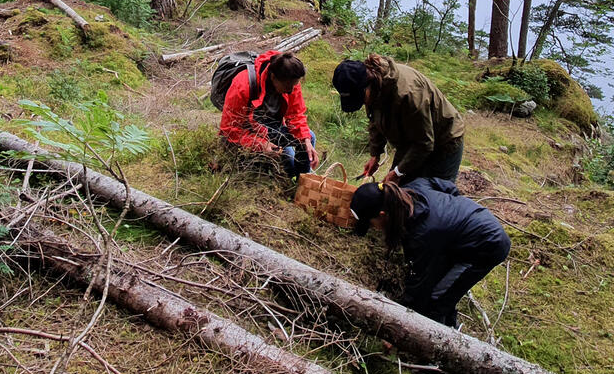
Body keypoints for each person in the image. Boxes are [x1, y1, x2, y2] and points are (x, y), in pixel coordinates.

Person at [350, 177, 510, 327]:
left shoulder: (422, 235)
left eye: (371, 224)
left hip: (487, 246)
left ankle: (445, 335)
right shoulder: (414, 187)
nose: (373, 228)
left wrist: (402, 320)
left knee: (437, 297)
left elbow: (420, 280)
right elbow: (448, 187)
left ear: (382, 215)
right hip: (464, 230)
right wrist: (453, 210)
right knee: (438, 280)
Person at [332, 54, 463, 185]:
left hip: (444, 142)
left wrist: (398, 172)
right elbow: (375, 121)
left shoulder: (409, 95)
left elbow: (424, 143)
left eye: (360, 98)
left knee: (435, 196)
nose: (363, 103)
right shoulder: (374, 89)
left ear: (368, 83)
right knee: (395, 190)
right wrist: (375, 155)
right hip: (410, 141)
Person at [219, 50, 319, 176]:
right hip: (250, 131)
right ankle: (292, 181)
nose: (291, 91)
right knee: (287, 164)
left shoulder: (290, 79)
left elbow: (295, 114)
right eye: (288, 86)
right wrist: (261, 145)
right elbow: (229, 130)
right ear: (273, 77)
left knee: (309, 138)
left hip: (274, 128)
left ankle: (302, 184)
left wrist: (306, 140)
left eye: (294, 85)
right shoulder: (243, 84)